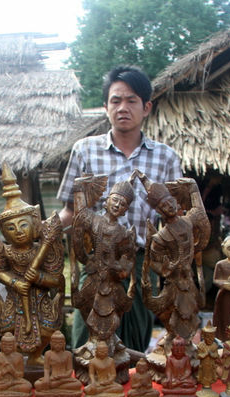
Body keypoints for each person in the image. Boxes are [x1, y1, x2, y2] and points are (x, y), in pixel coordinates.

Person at [57, 65, 182, 353]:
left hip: (140, 264)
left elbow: (176, 220)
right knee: (86, 342)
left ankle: (132, 394)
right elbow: (71, 212)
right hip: (96, 261)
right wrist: (41, 230)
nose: (122, 108)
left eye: (131, 100)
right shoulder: (84, 151)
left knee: (135, 345)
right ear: (105, 106)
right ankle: (86, 395)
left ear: (146, 107)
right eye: (115, 100)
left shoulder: (165, 158)